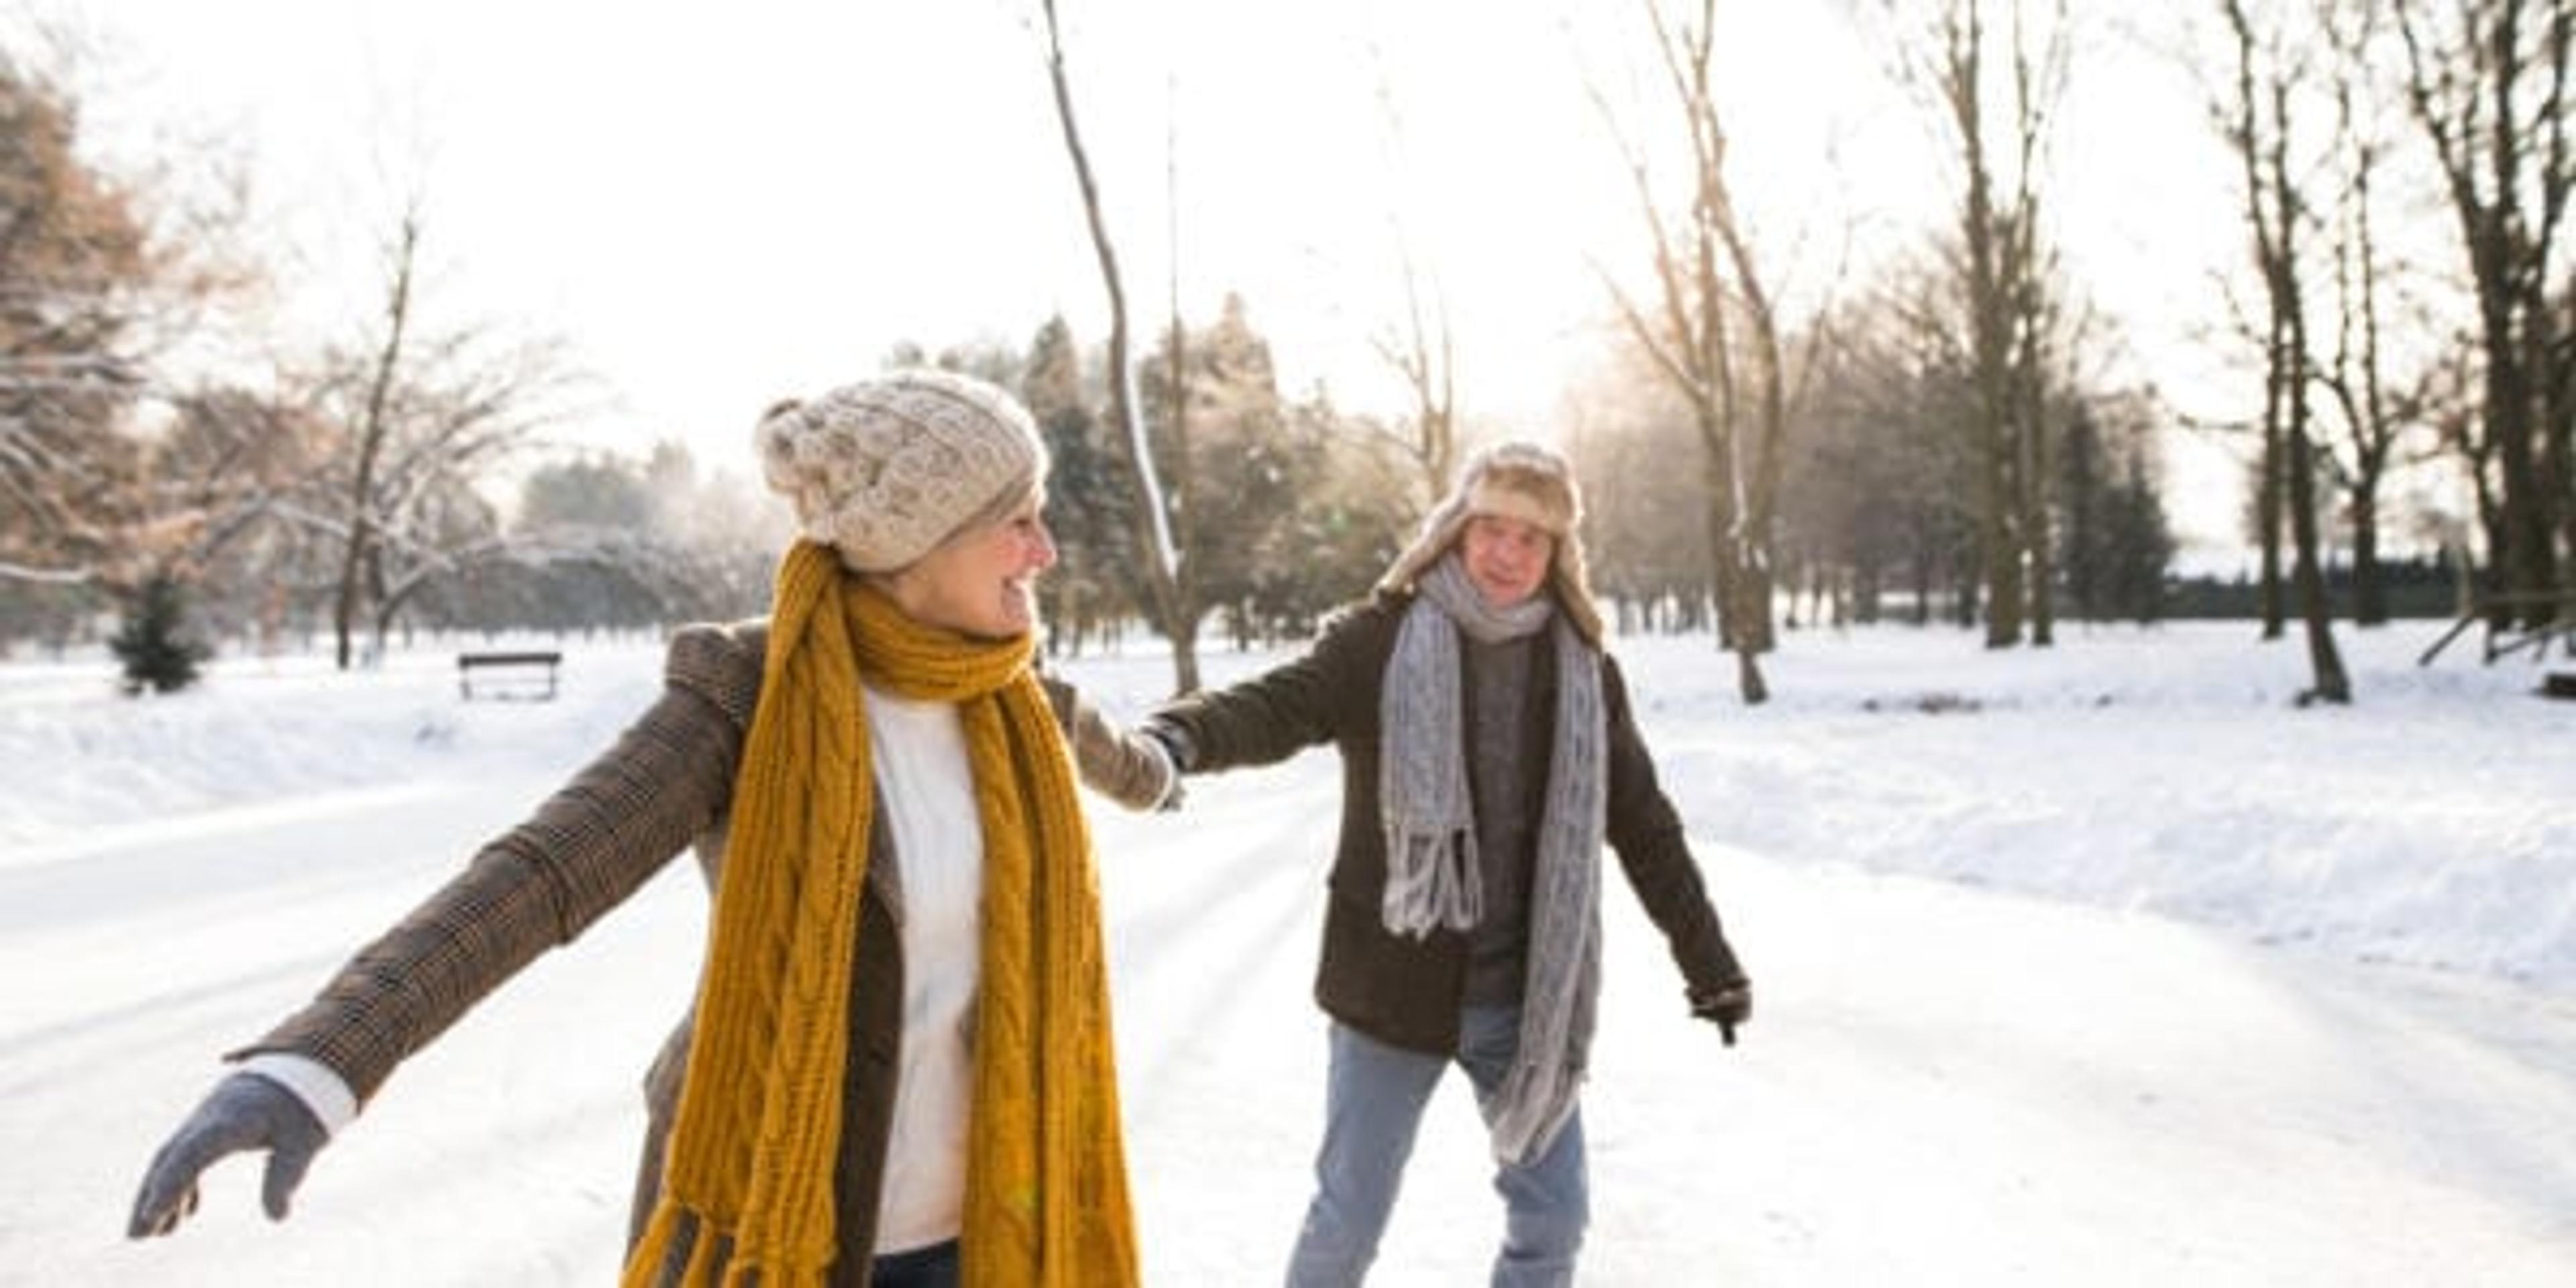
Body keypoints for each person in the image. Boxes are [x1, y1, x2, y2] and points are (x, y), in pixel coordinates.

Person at [127, 370, 1177, 1288]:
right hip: (770, 1211)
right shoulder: (754, 696)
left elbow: (1118, 757)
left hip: (995, 1216)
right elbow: (542, 873)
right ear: (918, 543)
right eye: (1020, 518)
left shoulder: (1016, 693)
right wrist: (318, 1062)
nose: (1045, 550)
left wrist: (1168, 771)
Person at [1139, 441, 1753, 1288]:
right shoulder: (1382, 641)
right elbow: (1280, 706)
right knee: (1348, 1220)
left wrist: (1709, 965)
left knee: (1554, 1220)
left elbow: (1645, 827)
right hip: (1390, 992)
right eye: (1492, 529)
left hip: (1524, 1005)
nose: (1508, 554)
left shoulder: (1583, 674)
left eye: (1532, 539)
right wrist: (1181, 736)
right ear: (1457, 531)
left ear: (1558, 554)